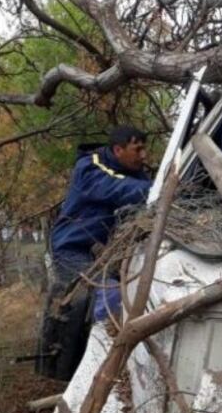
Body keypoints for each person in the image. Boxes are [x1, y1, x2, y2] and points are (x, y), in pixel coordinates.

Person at [37, 126, 152, 380]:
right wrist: (162, 189)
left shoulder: (136, 174)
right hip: (73, 248)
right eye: (138, 149)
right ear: (118, 149)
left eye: (145, 148)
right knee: (107, 296)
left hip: (104, 252)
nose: (144, 155)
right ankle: (101, 368)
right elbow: (120, 189)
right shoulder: (90, 167)